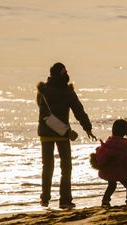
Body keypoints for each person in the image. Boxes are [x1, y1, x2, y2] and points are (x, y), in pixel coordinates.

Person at [37, 62, 97, 209]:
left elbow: (44, 113)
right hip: (63, 133)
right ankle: (65, 200)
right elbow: (79, 110)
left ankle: (45, 199)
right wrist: (87, 128)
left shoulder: (42, 91)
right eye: (65, 72)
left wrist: (87, 128)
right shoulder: (67, 91)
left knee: (48, 167)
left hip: (46, 133)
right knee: (66, 167)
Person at [90, 119, 127, 207]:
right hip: (120, 172)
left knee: (111, 186)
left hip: (107, 171)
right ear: (126, 132)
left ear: (112, 130)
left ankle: (105, 200)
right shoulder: (126, 147)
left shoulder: (108, 143)